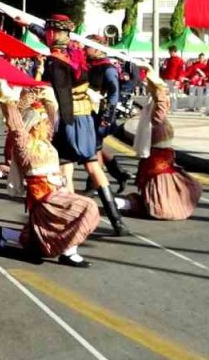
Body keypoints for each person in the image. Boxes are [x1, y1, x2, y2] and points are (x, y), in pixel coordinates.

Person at [18, 14, 128, 237]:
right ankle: (117, 222)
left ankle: (72, 224)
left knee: (66, 172)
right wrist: (29, 25)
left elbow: (61, 95)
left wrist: (56, 124)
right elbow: (48, 37)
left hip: (70, 119)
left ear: (53, 33)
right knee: (93, 166)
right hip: (86, 118)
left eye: (48, 31)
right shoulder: (76, 50)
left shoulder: (55, 61)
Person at [0, 83, 99, 267]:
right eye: (41, 122)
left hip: (56, 193)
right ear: (32, 125)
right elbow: (15, 123)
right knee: (88, 207)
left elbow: (52, 113)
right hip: (44, 199)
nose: (46, 125)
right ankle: (68, 251)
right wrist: (10, 95)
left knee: (40, 235)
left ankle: (5, 233)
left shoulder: (46, 141)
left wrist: (45, 93)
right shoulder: (24, 145)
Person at [118, 73, 201, 220]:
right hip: (157, 152)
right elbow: (161, 101)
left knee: (160, 179)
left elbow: (162, 101)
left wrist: (156, 85)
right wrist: (156, 87)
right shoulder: (154, 112)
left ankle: (161, 204)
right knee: (159, 179)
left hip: (160, 153)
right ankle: (162, 204)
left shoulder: (156, 113)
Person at [88, 38, 129, 192]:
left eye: (89, 46)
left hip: (100, 114)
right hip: (88, 111)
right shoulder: (88, 64)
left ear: (98, 49)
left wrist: (107, 117)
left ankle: (94, 185)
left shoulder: (108, 68)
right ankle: (119, 174)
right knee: (96, 148)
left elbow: (114, 93)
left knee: (94, 148)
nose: (85, 48)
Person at [160, 46, 184, 112]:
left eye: (171, 51)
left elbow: (181, 70)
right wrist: (163, 77)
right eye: (169, 51)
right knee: (168, 94)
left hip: (174, 79)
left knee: (174, 95)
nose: (170, 53)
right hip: (167, 79)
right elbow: (165, 69)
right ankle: (169, 107)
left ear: (174, 51)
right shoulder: (168, 60)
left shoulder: (179, 60)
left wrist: (178, 80)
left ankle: (174, 108)